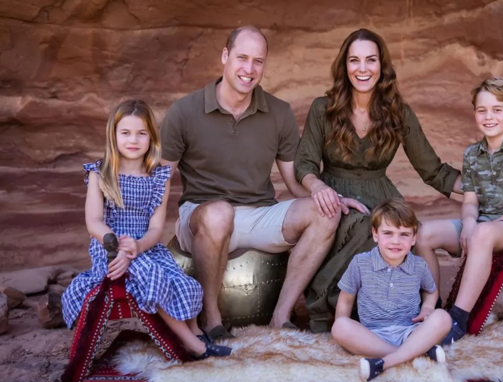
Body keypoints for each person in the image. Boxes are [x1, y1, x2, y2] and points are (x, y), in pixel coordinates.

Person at [159, 26, 346, 339]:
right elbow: (160, 180)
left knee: (325, 213)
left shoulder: (279, 112)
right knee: (219, 214)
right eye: (242, 58)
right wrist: (146, 233)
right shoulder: (184, 111)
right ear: (225, 56)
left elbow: (293, 179)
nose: (249, 69)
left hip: (258, 214)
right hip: (202, 217)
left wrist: (325, 196)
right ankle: (212, 319)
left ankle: (281, 316)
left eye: (258, 61)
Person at [294, 28, 462, 332]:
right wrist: (318, 187)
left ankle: (411, 314)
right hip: (336, 196)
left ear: (381, 66)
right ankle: (322, 305)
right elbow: (304, 163)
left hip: (382, 194)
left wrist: (481, 189)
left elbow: (432, 169)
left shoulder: (398, 113)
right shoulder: (323, 108)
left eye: (370, 60)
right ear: (344, 66)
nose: (362, 68)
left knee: (402, 232)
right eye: (354, 60)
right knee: (366, 226)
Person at [61, 100, 230, 359]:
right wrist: (115, 243)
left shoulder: (158, 177)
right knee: (147, 272)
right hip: (109, 249)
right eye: (125, 133)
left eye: (142, 133)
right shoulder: (100, 174)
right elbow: (93, 221)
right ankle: (193, 346)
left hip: (146, 248)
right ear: (113, 135)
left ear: (151, 137)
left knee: (184, 281)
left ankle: (196, 332)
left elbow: (155, 228)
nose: (133, 140)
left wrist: (139, 246)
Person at [414, 77, 503, 345]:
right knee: (423, 234)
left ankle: (458, 319)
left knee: (483, 233)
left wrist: (483, 230)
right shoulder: (472, 154)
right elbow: (470, 201)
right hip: (483, 226)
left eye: (497, 110)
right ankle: (432, 306)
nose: (489, 117)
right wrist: (468, 223)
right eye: (482, 110)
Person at [331, 198, 451, 382]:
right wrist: (344, 332)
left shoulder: (418, 266)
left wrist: (427, 309)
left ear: (414, 239)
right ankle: (416, 356)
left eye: (404, 234)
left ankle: (384, 363)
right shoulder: (361, 263)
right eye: (388, 233)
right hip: (372, 335)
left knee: (442, 317)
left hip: (410, 333)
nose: (396, 241)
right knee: (339, 326)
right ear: (375, 234)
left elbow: (431, 291)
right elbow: (346, 299)